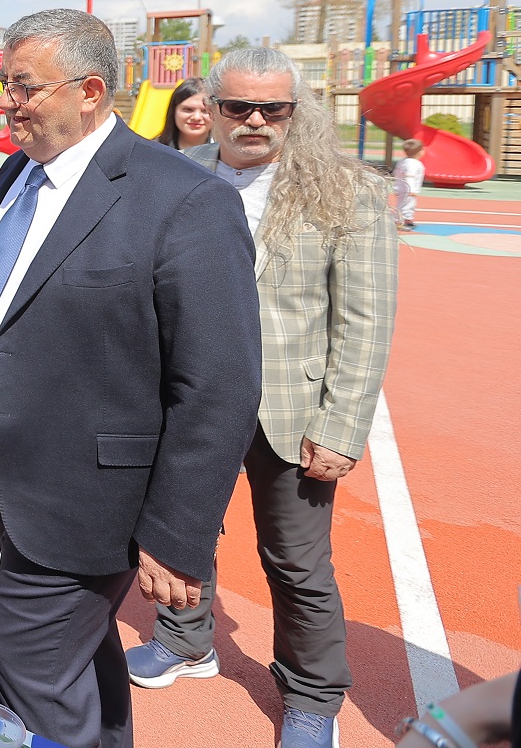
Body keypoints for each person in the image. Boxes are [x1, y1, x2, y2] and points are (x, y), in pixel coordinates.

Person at [0, 9, 261, 748]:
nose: (6, 105)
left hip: (94, 498)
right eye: (4, 86)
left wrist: (178, 537)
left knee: (30, 660)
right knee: (82, 651)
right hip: (17, 469)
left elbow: (219, 387)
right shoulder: (21, 170)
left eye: (24, 88)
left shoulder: (185, 201)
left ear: (91, 91)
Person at [127, 48, 398, 748]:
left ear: (294, 112)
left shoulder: (348, 191)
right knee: (181, 528)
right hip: (189, 402)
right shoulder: (177, 176)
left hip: (291, 412)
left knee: (297, 562)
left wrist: (342, 426)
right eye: (238, 106)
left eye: (272, 108)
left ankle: (312, 697)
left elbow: (365, 322)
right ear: (212, 109)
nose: (254, 120)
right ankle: (185, 640)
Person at [156, 78, 213, 154]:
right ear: (173, 111)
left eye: (205, 111)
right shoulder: (153, 151)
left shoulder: (226, 155)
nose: (196, 117)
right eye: (188, 109)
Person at [394, 137, 426, 230]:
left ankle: (404, 219)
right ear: (419, 152)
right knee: (408, 205)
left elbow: (396, 173)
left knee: (403, 204)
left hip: (401, 188)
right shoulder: (413, 164)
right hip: (407, 189)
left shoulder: (403, 161)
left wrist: (397, 186)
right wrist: (411, 189)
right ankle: (403, 221)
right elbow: (409, 177)